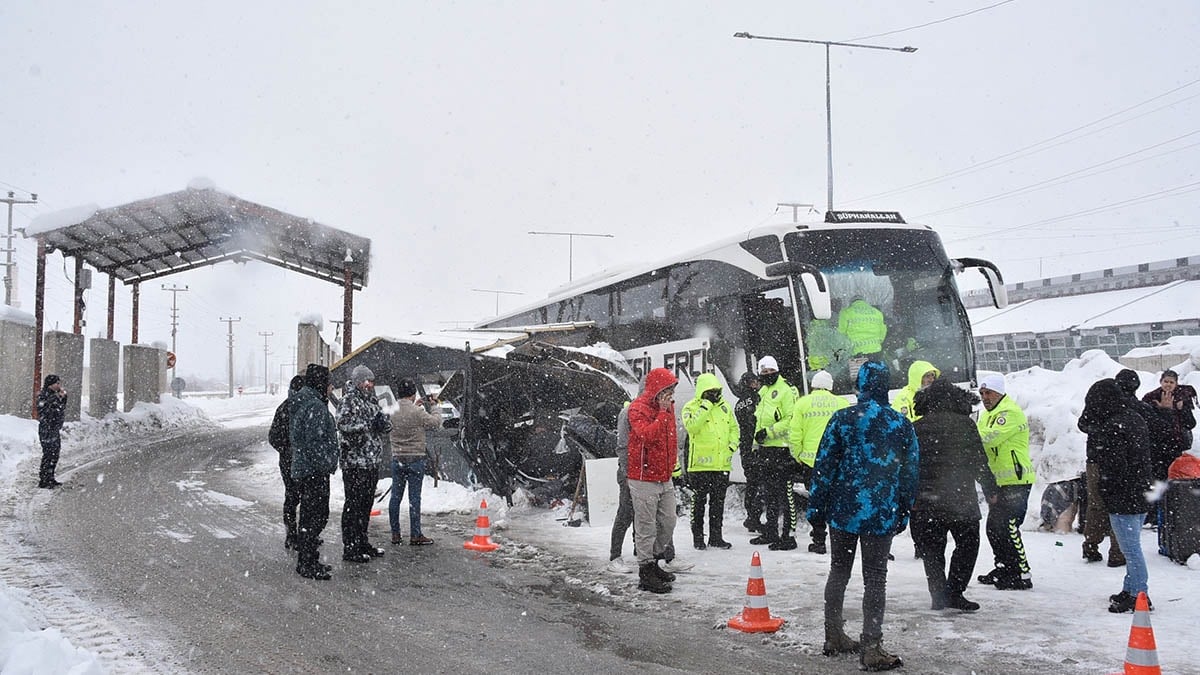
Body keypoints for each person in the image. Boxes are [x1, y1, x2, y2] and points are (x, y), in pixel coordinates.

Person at [807, 361, 918, 671]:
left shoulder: (841, 419)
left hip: (842, 511)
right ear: (885, 386)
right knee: (876, 578)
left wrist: (816, 508)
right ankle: (871, 646)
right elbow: (910, 474)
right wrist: (904, 509)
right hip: (880, 513)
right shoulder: (900, 424)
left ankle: (833, 635)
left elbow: (824, 467)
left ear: (860, 386)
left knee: (839, 571)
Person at [911, 377, 993, 613]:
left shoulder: (917, 427)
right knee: (967, 545)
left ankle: (938, 595)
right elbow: (980, 462)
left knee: (932, 549)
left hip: (926, 501)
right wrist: (991, 491)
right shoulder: (965, 425)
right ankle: (955, 592)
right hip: (960, 499)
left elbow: (908, 466)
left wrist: (909, 498)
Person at [1081, 379, 1153, 613]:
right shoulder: (1135, 418)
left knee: (1131, 551)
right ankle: (1130, 587)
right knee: (1132, 548)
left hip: (1124, 498)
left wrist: (1107, 492)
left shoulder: (1112, 427)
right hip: (1140, 493)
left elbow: (1115, 467)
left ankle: (1139, 595)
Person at [975, 374, 1036, 591]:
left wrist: (968, 433)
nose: (984, 397)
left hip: (1016, 480)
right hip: (998, 480)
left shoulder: (1009, 412)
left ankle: (1021, 572)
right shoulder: (985, 415)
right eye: (982, 394)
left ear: (999, 392)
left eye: (988, 393)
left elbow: (989, 438)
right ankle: (1003, 566)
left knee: (1009, 526)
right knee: (994, 527)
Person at [627, 367, 680, 594]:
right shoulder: (637, 408)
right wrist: (661, 413)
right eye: (668, 389)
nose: (671, 394)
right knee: (646, 525)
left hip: (664, 476)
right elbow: (647, 435)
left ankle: (655, 560)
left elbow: (671, 439)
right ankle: (645, 569)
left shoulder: (668, 409)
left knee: (668, 520)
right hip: (643, 476)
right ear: (657, 389)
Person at [1078, 370, 1138, 566]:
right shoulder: (1123, 407)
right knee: (1117, 506)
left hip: (1094, 460)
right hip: (1117, 461)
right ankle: (1117, 552)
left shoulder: (1096, 400)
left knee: (1096, 505)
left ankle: (1090, 545)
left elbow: (1082, 424)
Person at [787, 370, 849, 554]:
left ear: (813, 385)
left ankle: (819, 539)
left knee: (817, 501)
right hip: (836, 462)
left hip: (811, 462)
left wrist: (797, 455)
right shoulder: (842, 403)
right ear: (830, 387)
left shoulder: (802, 403)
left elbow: (794, 434)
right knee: (838, 501)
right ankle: (841, 540)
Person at [336, 365, 391, 563]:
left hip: (371, 462)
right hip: (354, 463)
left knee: (366, 504)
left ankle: (362, 541)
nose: (369, 384)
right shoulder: (348, 400)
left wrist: (384, 424)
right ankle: (350, 547)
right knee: (353, 505)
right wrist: (367, 425)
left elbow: (384, 423)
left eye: (371, 380)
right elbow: (342, 424)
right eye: (365, 381)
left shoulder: (372, 401)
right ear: (357, 381)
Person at [289, 364, 339, 580]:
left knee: (309, 517)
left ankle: (307, 559)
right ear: (321, 383)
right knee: (315, 517)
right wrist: (328, 463)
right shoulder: (315, 407)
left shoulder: (303, 401)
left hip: (306, 468)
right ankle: (308, 562)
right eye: (329, 383)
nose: (331, 387)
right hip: (314, 471)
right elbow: (315, 442)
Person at [681, 372, 738, 550]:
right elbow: (692, 427)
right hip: (699, 467)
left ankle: (716, 537)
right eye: (710, 391)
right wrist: (705, 406)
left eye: (716, 391)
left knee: (717, 503)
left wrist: (732, 446)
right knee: (698, 503)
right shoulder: (690, 407)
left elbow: (734, 429)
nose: (714, 394)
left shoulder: (725, 407)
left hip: (721, 465)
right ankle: (698, 538)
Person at [388, 378, 443, 547]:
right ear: (413, 394)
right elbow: (435, 423)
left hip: (397, 459)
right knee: (414, 498)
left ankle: (396, 534)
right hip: (415, 459)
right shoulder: (417, 412)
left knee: (395, 498)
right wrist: (435, 407)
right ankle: (415, 534)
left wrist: (413, 406)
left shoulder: (391, 410)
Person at [751, 355, 798, 550]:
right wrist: (756, 444)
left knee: (785, 494)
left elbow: (790, 419)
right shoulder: (763, 392)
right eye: (764, 372)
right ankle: (770, 531)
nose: (768, 375)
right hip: (766, 450)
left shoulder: (785, 391)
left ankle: (788, 536)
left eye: (771, 371)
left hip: (782, 449)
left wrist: (770, 432)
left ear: (777, 371)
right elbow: (759, 420)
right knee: (768, 493)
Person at [268, 375, 306, 550]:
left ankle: (300, 534)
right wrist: (289, 451)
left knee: (296, 498)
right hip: (292, 461)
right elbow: (274, 437)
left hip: (293, 460)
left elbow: (274, 437)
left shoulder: (287, 407)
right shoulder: (290, 408)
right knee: (295, 497)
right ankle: (293, 535)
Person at [1140, 369, 1197, 483]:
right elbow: (1150, 421)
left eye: (1171, 382)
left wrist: (1182, 410)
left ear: (1176, 384)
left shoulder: (1182, 397)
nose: (1168, 385)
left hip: (1175, 443)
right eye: (1166, 381)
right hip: (1157, 443)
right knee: (1159, 475)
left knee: (1174, 473)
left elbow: (1191, 423)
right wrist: (1162, 410)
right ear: (1161, 381)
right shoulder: (1152, 397)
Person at [733, 371, 766, 534]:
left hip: (745, 448)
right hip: (755, 447)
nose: (757, 384)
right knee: (759, 484)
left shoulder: (739, 403)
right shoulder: (758, 399)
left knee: (751, 483)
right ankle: (754, 518)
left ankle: (752, 517)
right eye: (754, 382)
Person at [36, 374, 68, 489]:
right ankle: (44, 479)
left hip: (54, 429)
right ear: (51, 384)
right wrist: (56, 398)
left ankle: (50, 477)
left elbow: (60, 409)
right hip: (46, 429)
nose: (59, 385)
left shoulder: (54, 395)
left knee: (55, 454)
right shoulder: (43, 395)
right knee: (48, 454)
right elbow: (45, 410)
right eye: (57, 383)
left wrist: (63, 398)